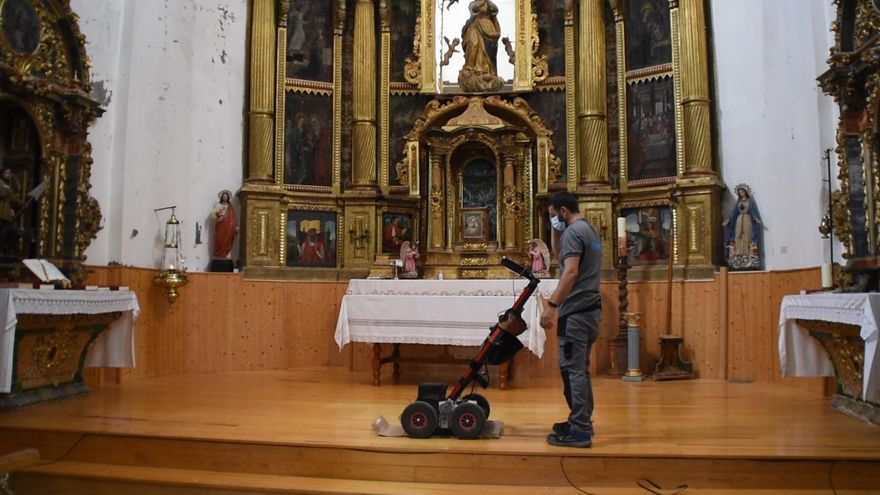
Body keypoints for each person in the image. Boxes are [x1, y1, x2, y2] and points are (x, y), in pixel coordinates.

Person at [539, 190, 602, 448]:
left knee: (573, 370)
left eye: (554, 216)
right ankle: (581, 420)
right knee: (579, 369)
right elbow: (559, 255)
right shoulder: (588, 230)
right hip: (590, 310)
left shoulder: (574, 233)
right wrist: (555, 228)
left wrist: (552, 305)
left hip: (575, 312)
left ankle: (580, 431)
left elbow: (571, 271)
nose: (554, 220)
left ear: (563, 212)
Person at [458, 0, 503, 92]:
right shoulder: (473, 4)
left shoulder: (490, 4)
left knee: (486, 53)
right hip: (475, 26)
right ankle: (470, 68)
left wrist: (492, 9)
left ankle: (487, 71)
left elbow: (495, 12)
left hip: (489, 28)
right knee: (473, 44)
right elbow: (473, 9)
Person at [723, 183, 762, 269]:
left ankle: (747, 255)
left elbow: (753, 211)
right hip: (739, 221)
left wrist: (755, 218)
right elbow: (734, 213)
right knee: (738, 237)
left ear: (745, 192)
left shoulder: (750, 201)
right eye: (740, 192)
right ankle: (738, 255)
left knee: (747, 237)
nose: (741, 194)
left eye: (742, 192)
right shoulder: (738, 202)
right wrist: (729, 220)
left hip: (747, 221)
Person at [211, 190, 238, 259]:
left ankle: (226, 254)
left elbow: (233, 218)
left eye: (226, 196)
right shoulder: (218, 205)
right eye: (223, 196)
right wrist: (219, 211)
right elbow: (213, 216)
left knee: (227, 239)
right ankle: (218, 254)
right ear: (221, 197)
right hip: (220, 224)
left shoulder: (230, 207)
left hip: (229, 226)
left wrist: (236, 226)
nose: (225, 197)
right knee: (219, 240)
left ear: (228, 197)